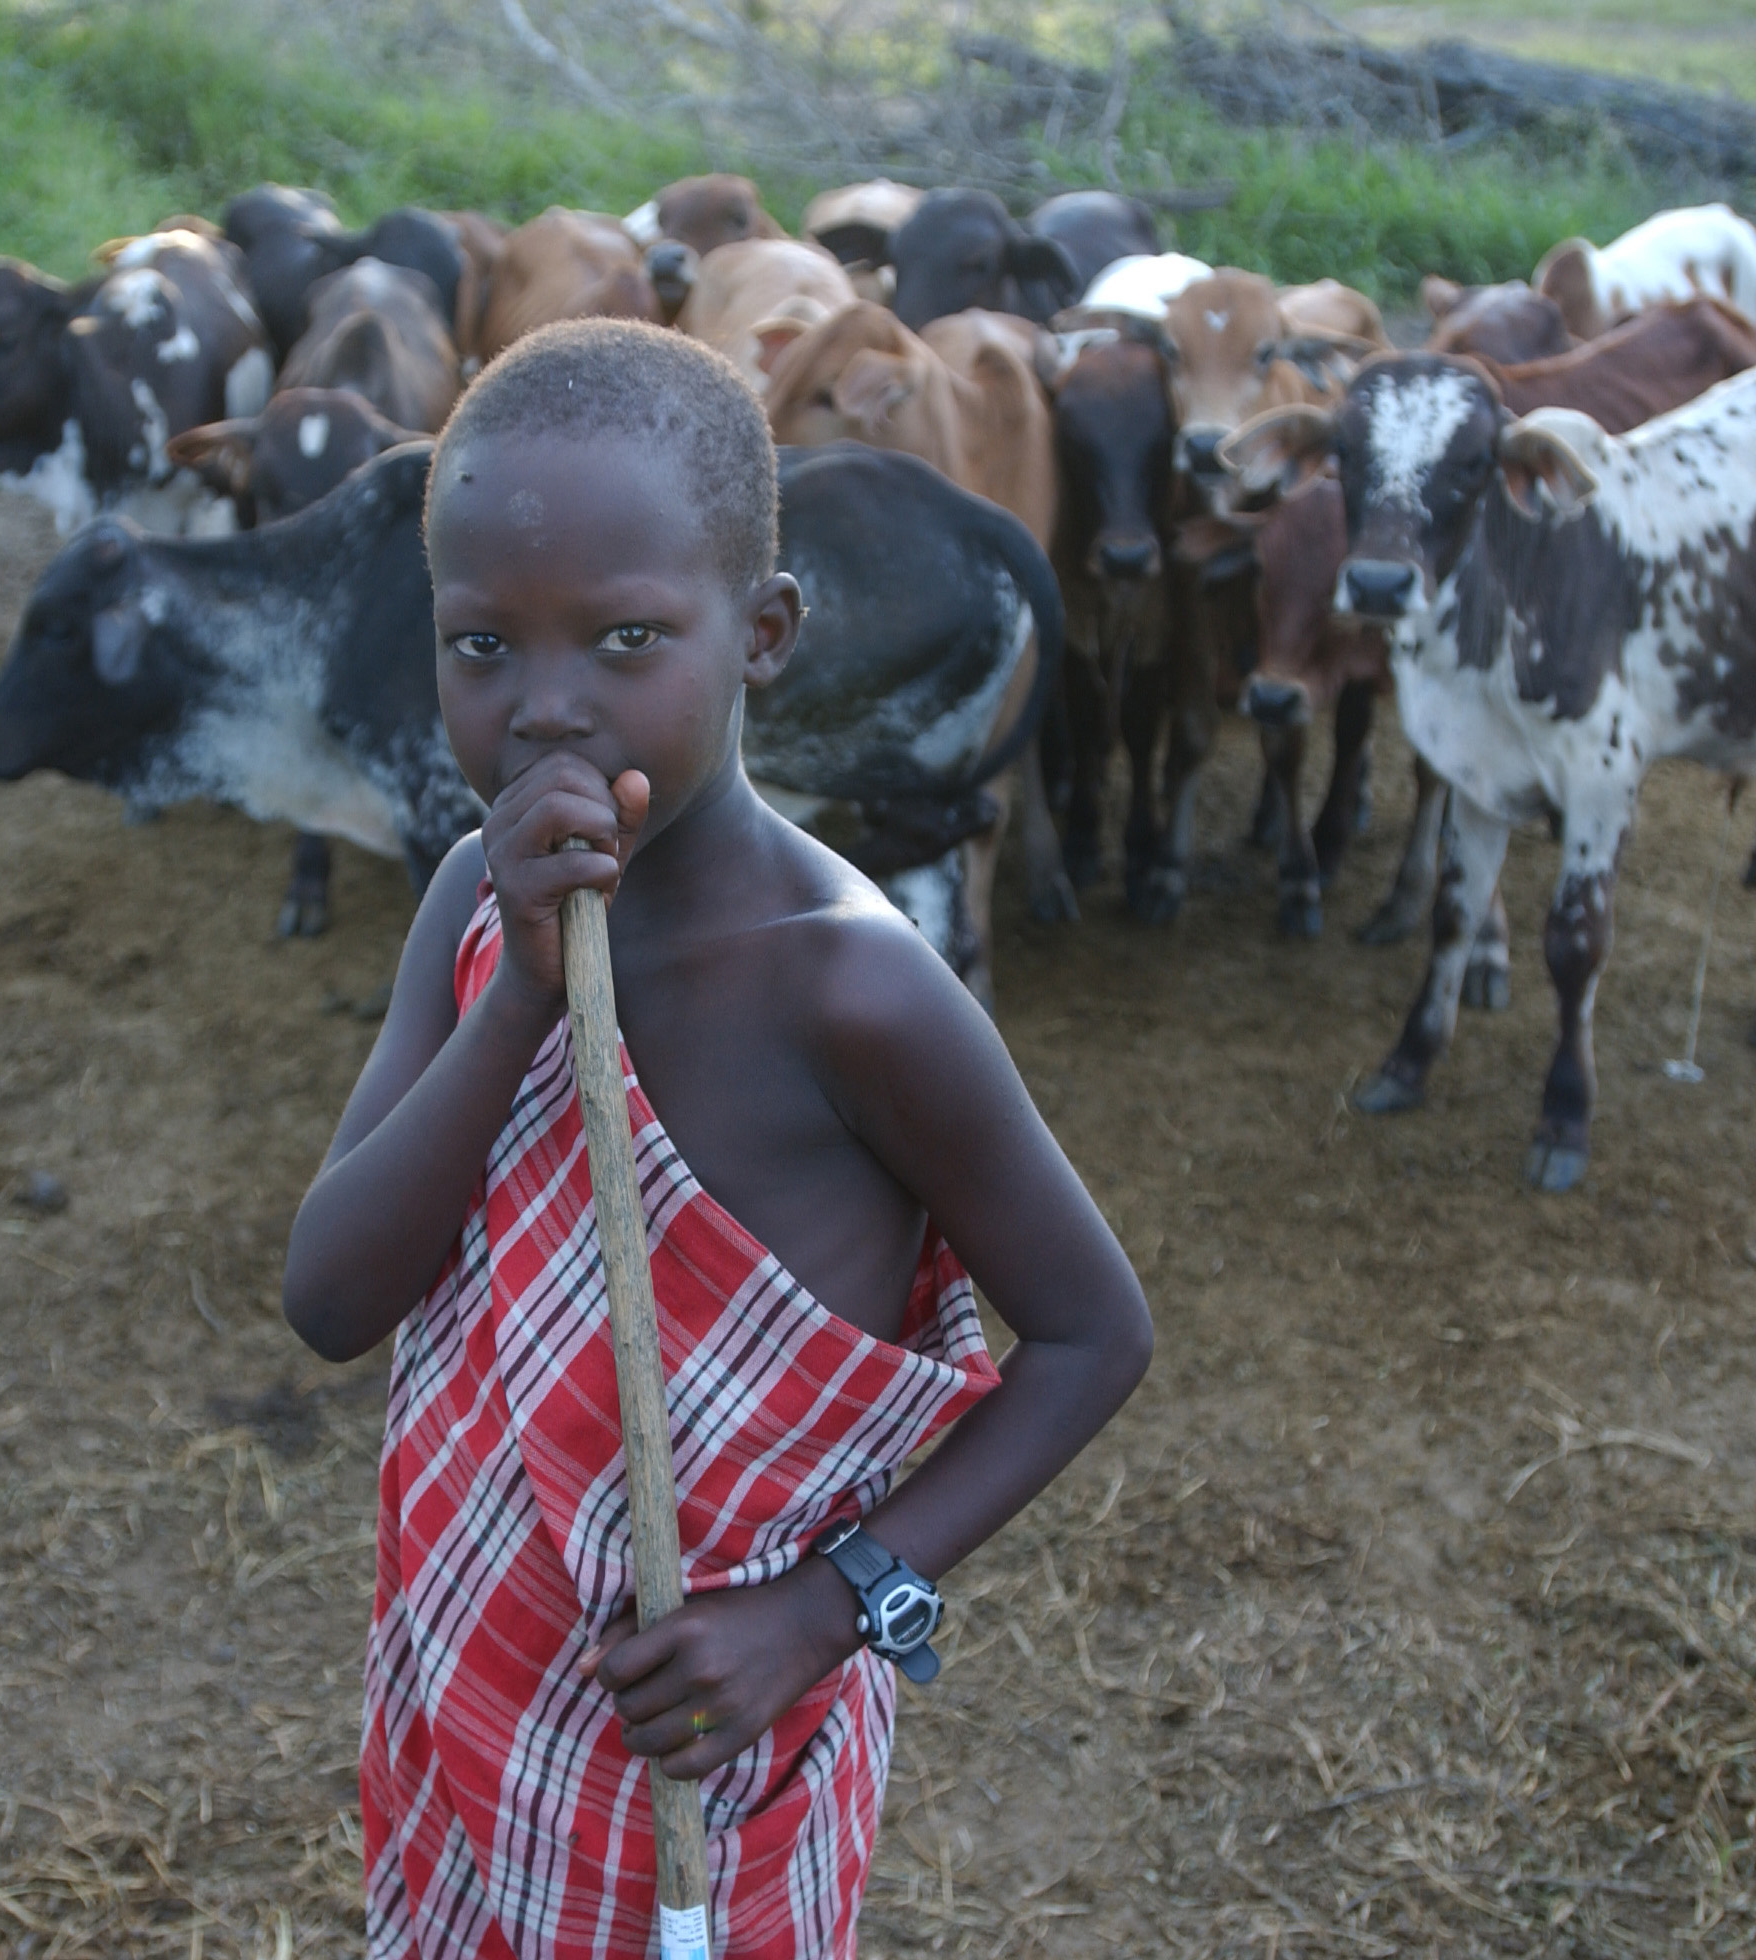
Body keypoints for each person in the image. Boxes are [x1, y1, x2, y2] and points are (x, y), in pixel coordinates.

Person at [281, 318, 1152, 1959]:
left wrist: (832, 1610)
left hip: (710, 1763)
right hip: (475, 1682)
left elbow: (1096, 1334)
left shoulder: (854, 989)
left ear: (761, 634)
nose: (547, 711)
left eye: (625, 639)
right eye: (482, 648)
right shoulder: (476, 906)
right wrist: (519, 1011)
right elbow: (333, 1298)